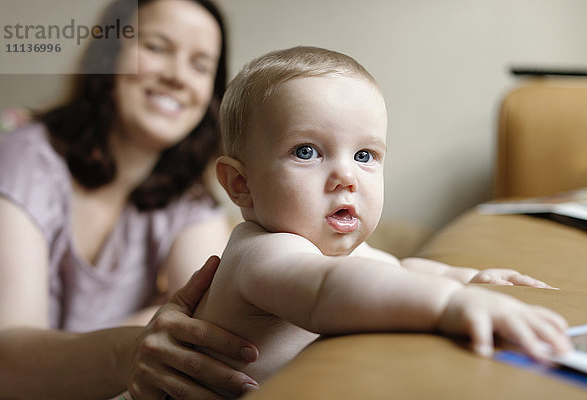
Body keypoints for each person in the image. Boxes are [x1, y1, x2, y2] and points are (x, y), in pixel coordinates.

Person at [191, 46, 572, 390]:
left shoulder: (345, 255)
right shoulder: (260, 254)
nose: (347, 177)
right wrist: (450, 303)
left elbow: (396, 269)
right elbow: (330, 289)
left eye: (364, 155)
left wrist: (470, 278)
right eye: (306, 152)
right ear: (241, 184)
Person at [0, 0, 260, 399]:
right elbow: (0, 363)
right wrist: (133, 346)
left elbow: (212, 319)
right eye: (156, 47)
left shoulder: (190, 202)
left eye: (200, 66)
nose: (178, 77)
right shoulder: (27, 157)